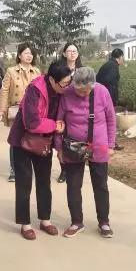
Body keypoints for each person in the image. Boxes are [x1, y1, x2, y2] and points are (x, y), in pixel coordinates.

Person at [7, 61, 71, 240]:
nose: (67, 87)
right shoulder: (35, 89)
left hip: (44, 141)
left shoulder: (62, 92)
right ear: (51, 80)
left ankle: (45, 220)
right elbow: (32, 122)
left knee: (44, 181)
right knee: (24, 183)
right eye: (64, 83)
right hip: (23, 142)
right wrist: (55, 125)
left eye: (69, 82)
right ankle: (25, 224)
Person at [55, 67, 117, 239]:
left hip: (99, 145)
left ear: (93, 85)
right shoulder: (67, 94)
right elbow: (59, 122)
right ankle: (76, 222)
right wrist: (59, 148)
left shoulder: (102, 92)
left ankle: (104, 222)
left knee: (101, 185)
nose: (83, 93)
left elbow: (111, 119)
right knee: (73, 185)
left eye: (86, 90)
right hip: (73, 146)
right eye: (79, 90)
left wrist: (111, 145)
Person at [0, 43, 41, 182]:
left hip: (33, 112)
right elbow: (4, 90)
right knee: (16, 140)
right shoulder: (11, 71)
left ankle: (27, 167)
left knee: (31, 139)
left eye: (31, 53)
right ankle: (14, 170)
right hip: (16, 110)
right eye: (26, 53)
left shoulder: (37, 71)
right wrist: (1, 108)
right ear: (20, 55)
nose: (29, 56)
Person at [55, 43, 83, 183]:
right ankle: (63, 169)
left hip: (76, 109)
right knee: (61, 136)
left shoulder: (82, 70)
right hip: (60, 105)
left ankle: (75, 166)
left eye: (74, 51)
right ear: (64, 53)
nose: (72, 53)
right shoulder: (59, 69)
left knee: (73, 137)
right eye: (69, 51)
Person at [96, 48, 125, 151]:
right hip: (108, 98)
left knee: (104, 120)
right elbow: (109, 81)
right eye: (123, 57)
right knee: (110, 120)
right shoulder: (113, 66)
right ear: (120, 57)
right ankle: (112, 143)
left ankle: (107, 141)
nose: (123, 59)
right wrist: (111, 97)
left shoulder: (108, 64)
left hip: (101, 97)